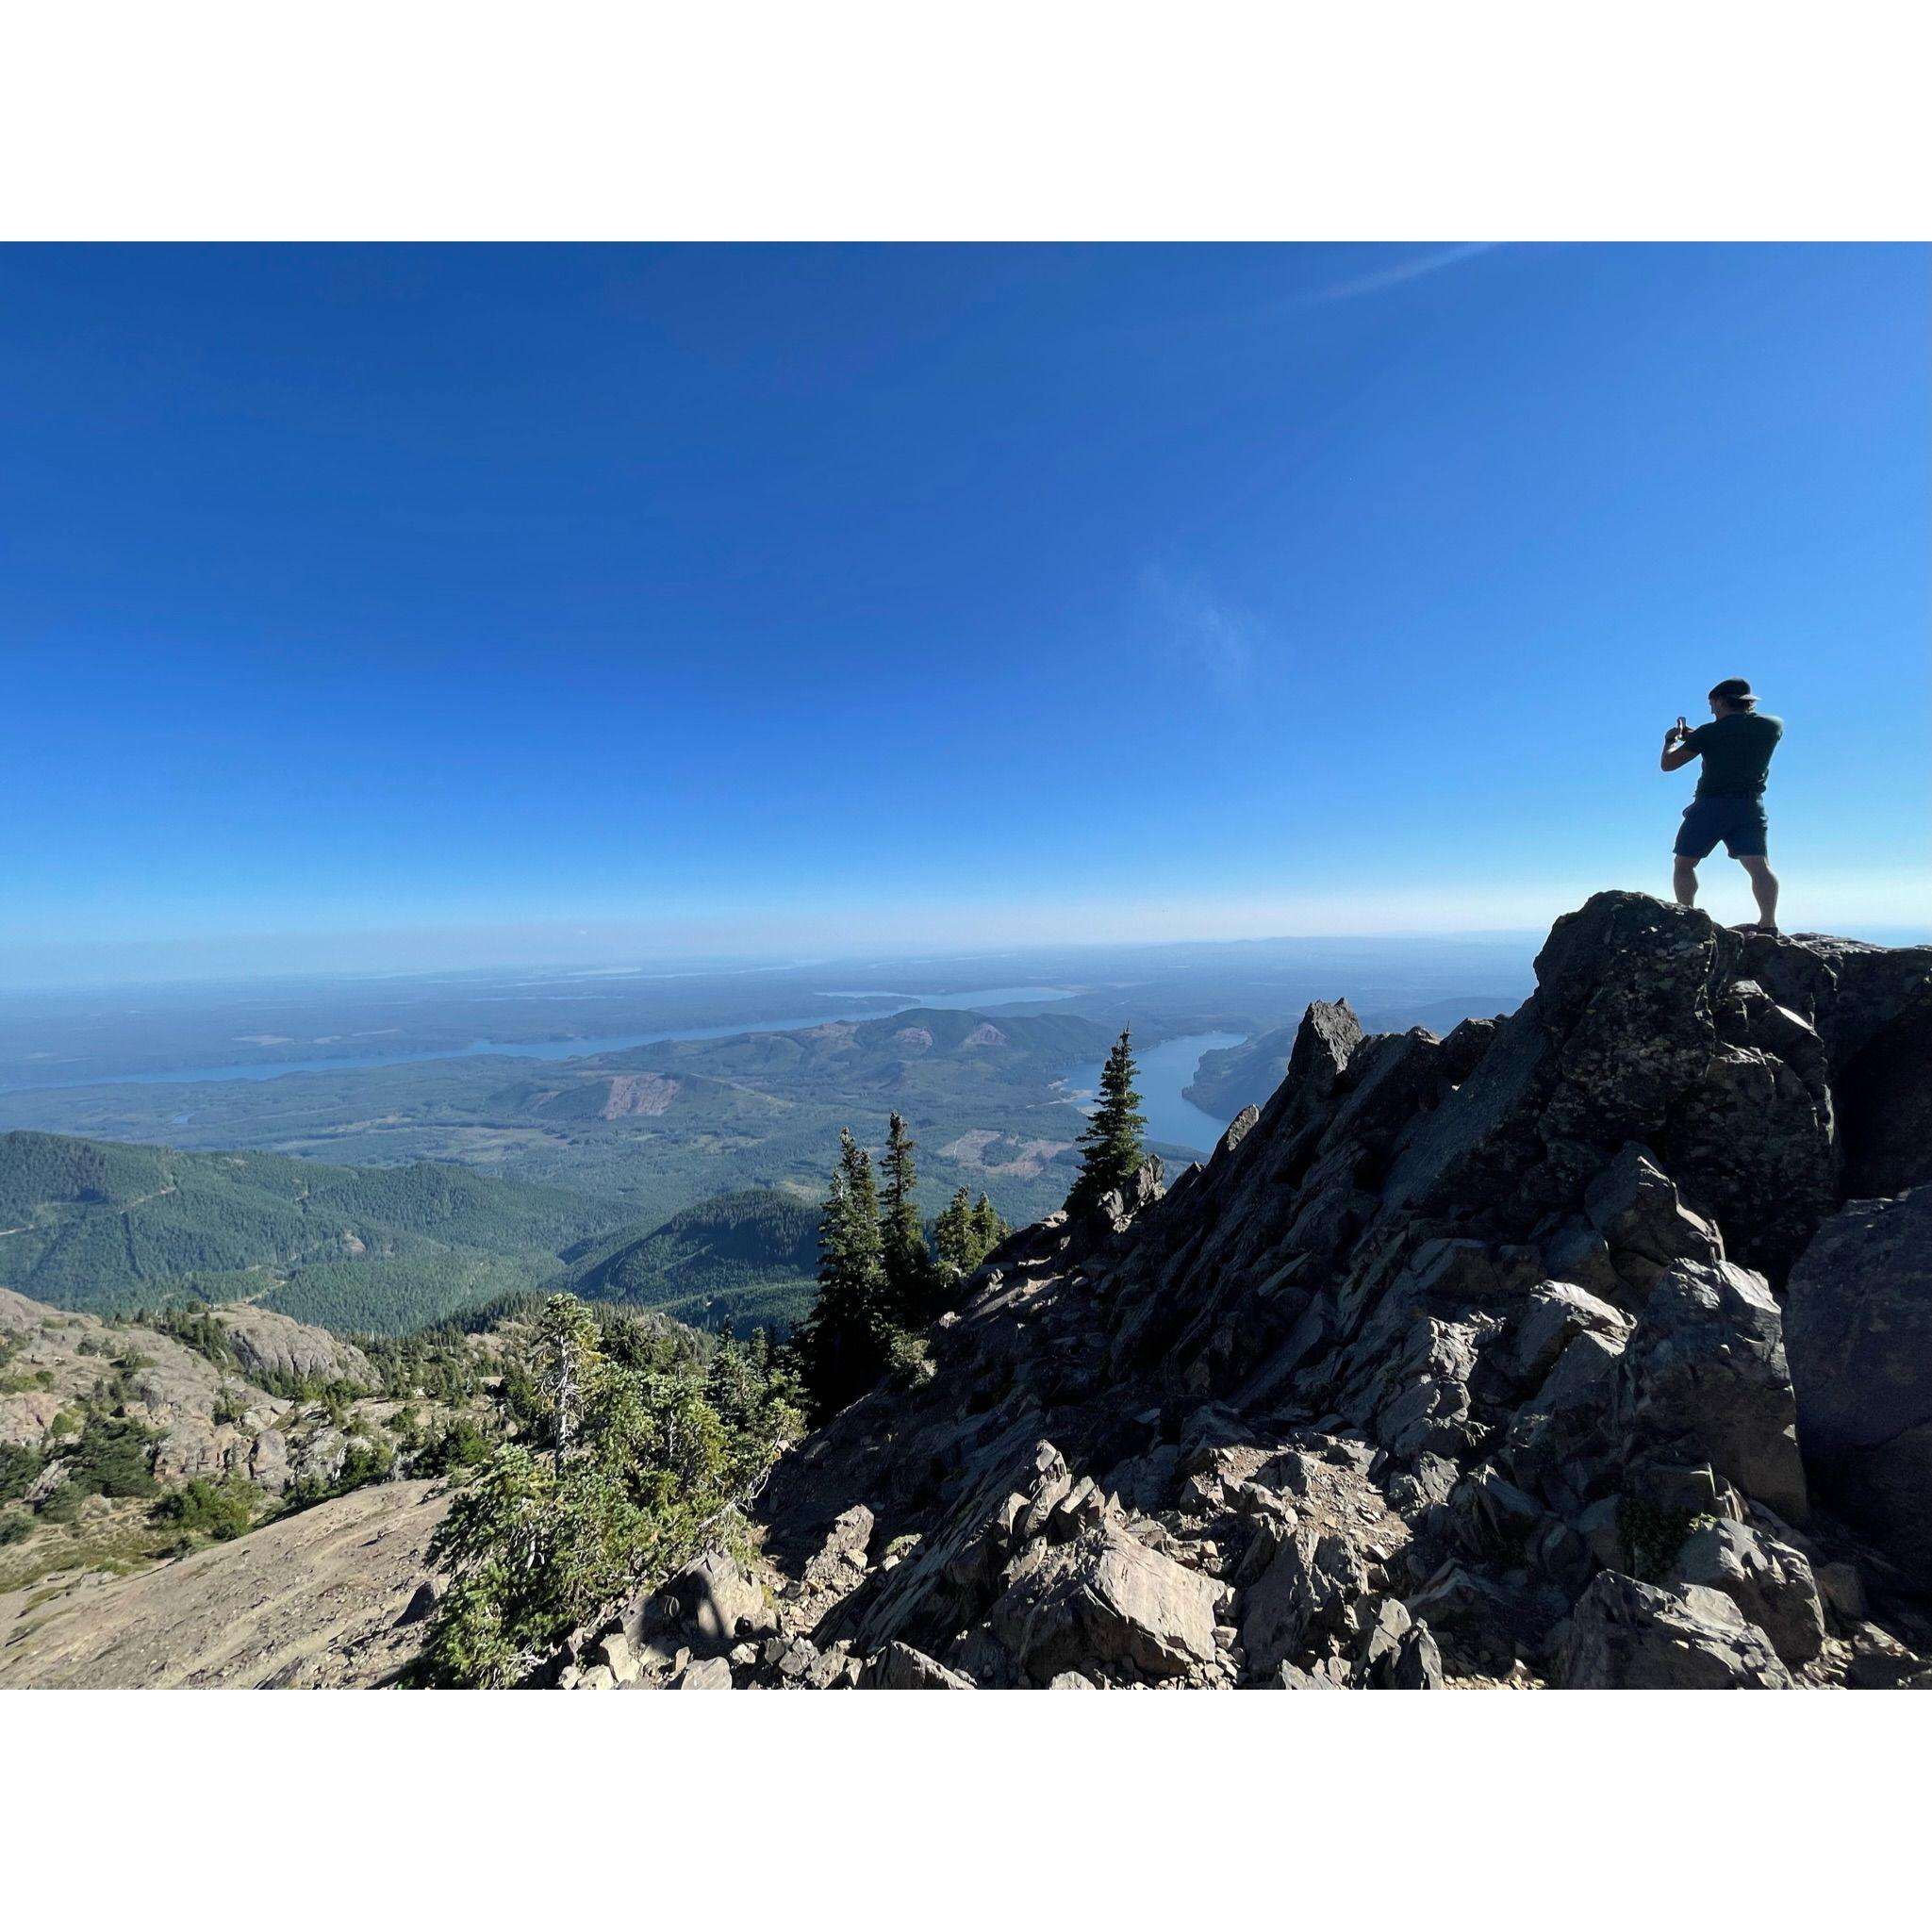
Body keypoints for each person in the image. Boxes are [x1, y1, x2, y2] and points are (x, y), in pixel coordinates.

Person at [1660, 677, 1784, 933]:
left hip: (1711, 805)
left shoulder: (1709, 733)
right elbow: (1735, 736)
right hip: (1750, 806)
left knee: (1684, 864)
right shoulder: (1772, 726)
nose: (1711, 710)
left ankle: (1688, 918)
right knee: (1759, 866)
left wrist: (1671, 740)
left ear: (1719, 701)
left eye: (1711, 705)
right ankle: (1768, 923)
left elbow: (1669, 764)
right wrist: (1702, 736)